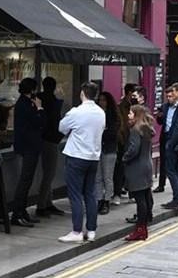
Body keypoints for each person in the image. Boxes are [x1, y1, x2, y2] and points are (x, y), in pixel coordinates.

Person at [57, 82, 106, 243]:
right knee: (90, 194)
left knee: (75, 195)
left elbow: (61, 128)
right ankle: (91, 230)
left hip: (77, 156)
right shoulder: (101, 113)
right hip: (93, 158)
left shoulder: (76, 112)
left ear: (82, 93)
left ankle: (77, 231)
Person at [11, 78, 46, 227]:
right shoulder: (26, 105)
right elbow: (39, 122)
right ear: (31, 90)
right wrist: (39, 108)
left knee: (27, 180)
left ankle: (22, 212)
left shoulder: (23, 103)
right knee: (25, 180)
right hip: (29, 147)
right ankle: (17, 213)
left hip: (27, 146)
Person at [123, 105, 156, 241]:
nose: (128, 115)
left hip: (137, 168)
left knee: (140, 199)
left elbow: (134, 149)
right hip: (146, 165)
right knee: (145, 196)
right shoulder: (146, 128)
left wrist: (124, 157)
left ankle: (140, 229)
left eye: (130, 113)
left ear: (136, 114)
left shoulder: (135, 130)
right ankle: (143, 226)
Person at [36, 77, 65, 217]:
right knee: (49, 173)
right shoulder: (52, 101)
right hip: (50, 139)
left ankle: (47, 202)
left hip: (43, 138)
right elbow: (55, 121)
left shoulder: (40, 98)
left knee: (48, 173)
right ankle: (42, 205)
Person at [96, 91, 121, 215]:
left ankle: (107, 200)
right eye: (100, 100)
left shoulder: (113, 116)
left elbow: (112, 134)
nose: (101, 102)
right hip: (96, 149)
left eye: (104, 100)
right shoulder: (95, 114)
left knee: (107, 177)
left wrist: (101, 132)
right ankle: (99, 200)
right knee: (98, 177)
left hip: (109, 149)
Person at [113, 83, 137, 205]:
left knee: (130, 168)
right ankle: (117, 192)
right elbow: (121, 124)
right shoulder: (122, 106)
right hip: (125, 140)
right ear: (129, 93)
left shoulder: (136, 106)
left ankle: (131, 193)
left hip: (133, 140)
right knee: (120, 168)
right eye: (134, 93)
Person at [153, 89, 175, 193]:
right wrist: (159, 116)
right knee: (163, 161)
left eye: (171, 96)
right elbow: (159, 122)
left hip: (175, 137)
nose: (169, 98)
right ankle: (161, 184)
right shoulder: (164, 107)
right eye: (168, 97)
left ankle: (175, 184)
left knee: (174, 162)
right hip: (165, 136)